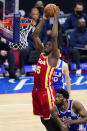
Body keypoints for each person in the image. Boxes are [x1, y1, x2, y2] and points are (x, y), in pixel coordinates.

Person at [32, 6, 60, 120]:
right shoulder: (43, 53)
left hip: (45, 92)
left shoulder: (53, 57)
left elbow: (53, 36)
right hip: (36, 91)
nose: (46, 45)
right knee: (43, 119)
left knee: (52, 120)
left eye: (49, 45)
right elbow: (34, 35)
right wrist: (43, 19)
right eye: (46, 44)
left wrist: (56, 18)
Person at [19, 7, 47, 75]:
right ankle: (21, 68)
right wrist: (34, 44)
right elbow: (25, 37)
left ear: (38, 15)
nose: (35, 16)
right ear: (31, 15)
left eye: (36, 14)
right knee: (23, 50)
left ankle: (47, 68)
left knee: (50, 49)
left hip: (40, 43)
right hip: (30, 43)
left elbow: (45, 35)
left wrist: (43, 43)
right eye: (33, 14)